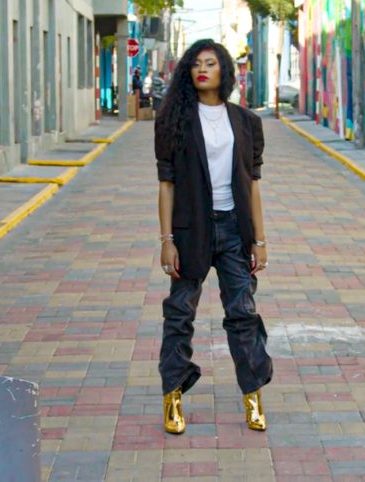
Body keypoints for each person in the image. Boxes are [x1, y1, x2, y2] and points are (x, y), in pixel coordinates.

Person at [154, 39, 273, 435]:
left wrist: (259, 239)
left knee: (243, 313)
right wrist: (167, 239)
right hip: (191, 230)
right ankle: (173, 396)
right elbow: (166, 184)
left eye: (210, 63)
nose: (202, 69)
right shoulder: (174, 119)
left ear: (225, 69)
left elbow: (252, 184)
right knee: (180, 313)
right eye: (196, 64)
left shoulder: (246, 121)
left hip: (235, 230)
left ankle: (253, 397)